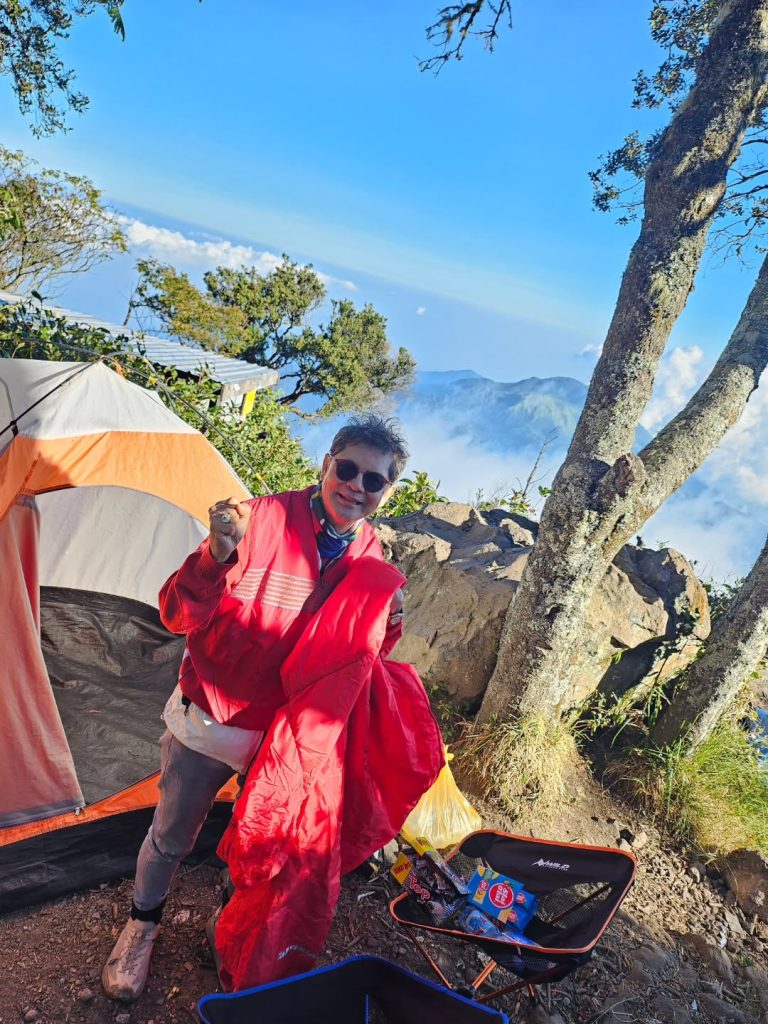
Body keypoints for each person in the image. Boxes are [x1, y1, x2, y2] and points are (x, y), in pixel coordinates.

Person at [102, 413, 408, 1002]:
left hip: (288, 743)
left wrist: (388, 625)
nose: (356, 487)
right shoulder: (256, 521)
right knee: (172, 834)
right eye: (347, 469)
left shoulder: (370, 558)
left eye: (374, 481)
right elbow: (177, 614)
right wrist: (216, 555)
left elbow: (354, 658)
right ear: (326, 464)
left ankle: (232, 932)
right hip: (214, 714)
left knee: (260, 844)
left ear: (387, 491)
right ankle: (141, 927)